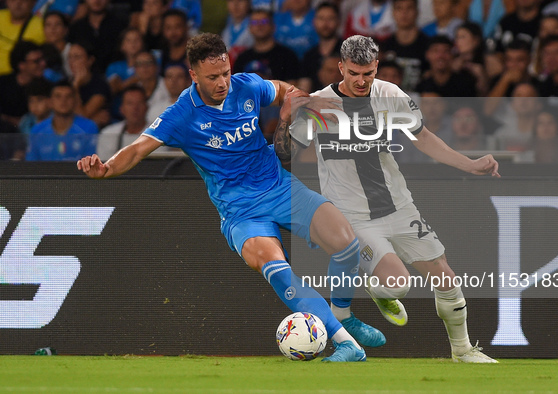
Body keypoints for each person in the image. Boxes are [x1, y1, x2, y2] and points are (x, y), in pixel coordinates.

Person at [77, 32, 387, 362]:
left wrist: (299, 101)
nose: (223, 82)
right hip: (241, 211)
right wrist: (107, 168)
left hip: (280, 187)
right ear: (193, 75)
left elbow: (282, 89)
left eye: (225, 72)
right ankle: (347, 345)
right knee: (280, 272)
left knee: (347, 245)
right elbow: (139, 148)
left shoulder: (246, 85)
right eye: (213, 77)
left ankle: (341, 315)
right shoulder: (181, 115)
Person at [281, 35, 500, 363]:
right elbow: (286, 152)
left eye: (368, 73)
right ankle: (379, 288)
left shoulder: (391, 95)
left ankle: (463, 351)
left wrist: (469, 164)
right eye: (353, 72)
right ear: (340, 67)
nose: (360, 80)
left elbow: (423, 138)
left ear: (377, 67)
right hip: (352, 217)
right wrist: (287, 118)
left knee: (446, 276)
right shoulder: (319, 104)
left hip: (399, 207)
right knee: (398, 285)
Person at [28, 80, 99, 161]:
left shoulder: (89, 127)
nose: (63, 100)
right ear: (50, 101)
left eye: (68, 96)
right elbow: (32, 164)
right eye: (58, 96)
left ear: (75, 101)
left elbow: (91, 163)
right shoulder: (37, 130)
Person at [233, 8, 300, 85]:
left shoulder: (288, 56)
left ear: (273, 26)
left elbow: (292, 90)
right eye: (255, 22)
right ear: (250, 28)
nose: (259, 25)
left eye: (264, 21)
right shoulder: (242, 59)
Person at [0, 0, 45, 76]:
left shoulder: (41, 27)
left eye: (24, 0)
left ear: (33, 3)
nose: (18, 3)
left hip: (15, 80)